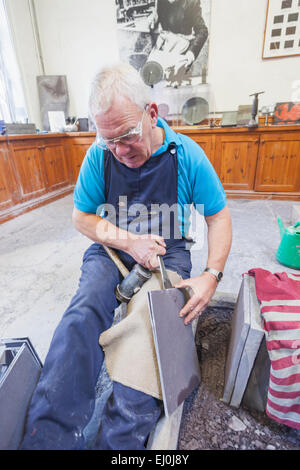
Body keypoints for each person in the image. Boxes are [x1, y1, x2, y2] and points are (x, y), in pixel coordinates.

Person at [20, 63, 232, 450]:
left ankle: (118, 447)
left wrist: (211, 275)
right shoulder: (99, 156)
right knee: (82, 314)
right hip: (113, 251)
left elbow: (218, 217)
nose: (119, 150)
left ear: (152, 113)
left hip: (167, 257)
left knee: (149, 336)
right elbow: (81, 216)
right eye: (108, 140)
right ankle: (47, 437)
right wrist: (129, 242)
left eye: (127, 135)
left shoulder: (186, 155)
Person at [148, 0, 208, 82]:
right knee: (150, 78)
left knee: (171, 84)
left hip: (181, 50)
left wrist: (191, 54)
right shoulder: (160, 1)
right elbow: (158, 22)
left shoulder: (192, 2)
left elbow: (202, 31)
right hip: (162, 47)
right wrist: (153, 21)